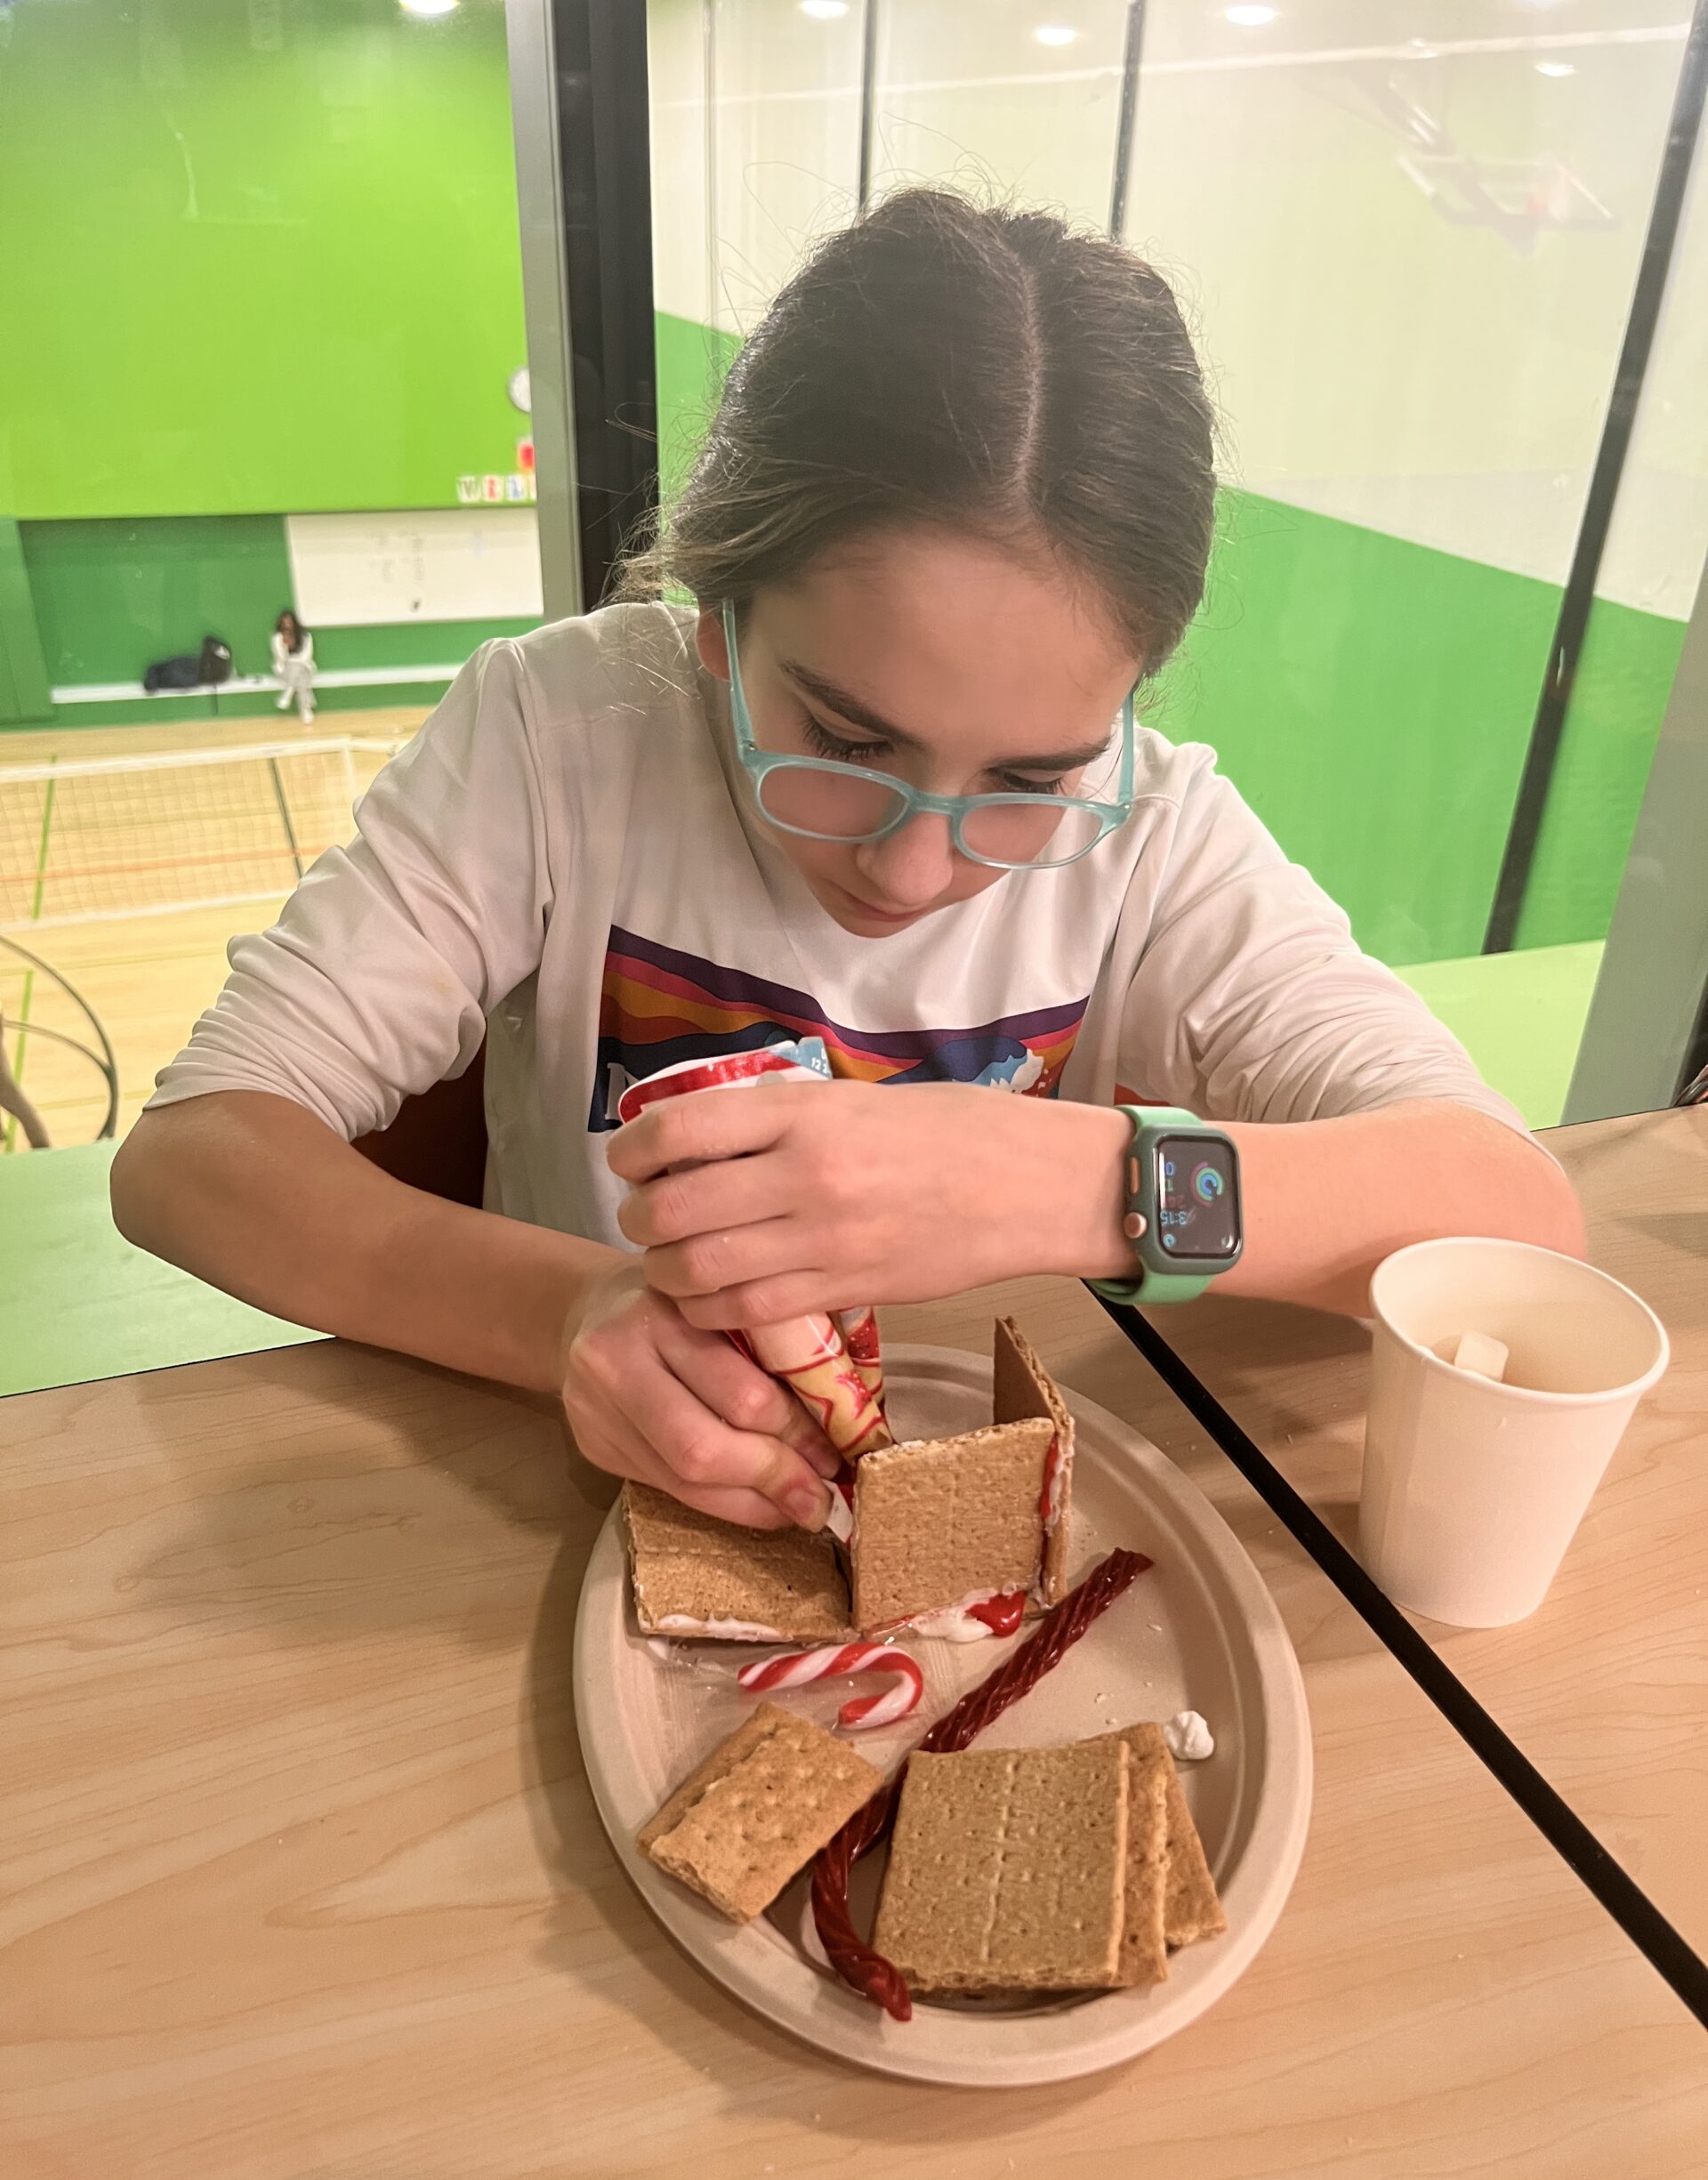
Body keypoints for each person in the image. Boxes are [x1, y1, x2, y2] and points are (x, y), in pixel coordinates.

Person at [112, 190, 1581, 1538]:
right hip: (544, 1510)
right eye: (844, 740)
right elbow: (194, 1160)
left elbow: (1516, 1211)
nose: (917, 869)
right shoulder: (562, 734)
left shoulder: (1155, 837)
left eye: (1028, 781)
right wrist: (568, 1317)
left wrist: (1081, 1191)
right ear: (716, 619)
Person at [270, 610, 316, 725]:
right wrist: (284, 646)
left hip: (304, 667)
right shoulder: (277, 638)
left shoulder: (306, 636)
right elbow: (281, 659)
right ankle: (305, 709)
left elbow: (307, 656)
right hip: (285, 669)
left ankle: (288, 692)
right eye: (284, 622)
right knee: (299, 676)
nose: (287, 625)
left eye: (289, 622)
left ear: (294, 622)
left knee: (298, 668)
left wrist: (295, 661)